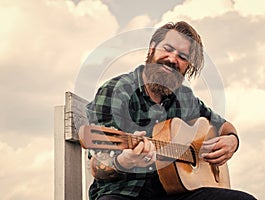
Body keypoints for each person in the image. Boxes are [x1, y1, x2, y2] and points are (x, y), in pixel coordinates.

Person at [86, 21, 256, 200]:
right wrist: (123, 161)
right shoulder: (116, 91)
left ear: (188, 66)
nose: (173, 59)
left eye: (182, 56)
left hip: (176, 192)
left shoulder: (184, 96)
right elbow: (98, 166)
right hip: (125, 192)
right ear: (152, 48)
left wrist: (232, 141)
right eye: (167, 49)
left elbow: (223, 126)